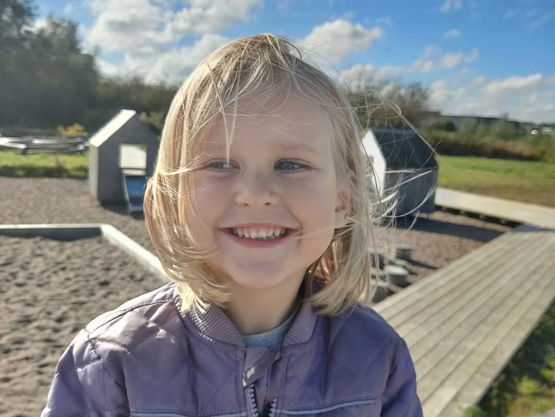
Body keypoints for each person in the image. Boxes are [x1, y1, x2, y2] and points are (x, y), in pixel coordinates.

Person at [41, 34, 423, 417]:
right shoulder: (110, 362)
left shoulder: (378, 357)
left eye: (291, 164)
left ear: (343, 200)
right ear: (174, 196)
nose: (255, 194)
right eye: (220, 164)